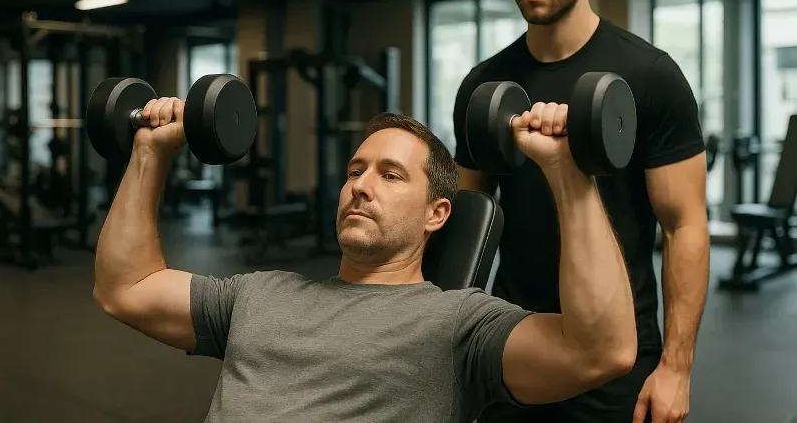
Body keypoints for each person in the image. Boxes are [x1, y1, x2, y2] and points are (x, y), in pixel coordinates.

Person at [93, 96, 638, 422]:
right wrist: (149, 151)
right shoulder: (257, 295)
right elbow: (127, 287)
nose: (361, 186)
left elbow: (601, 351)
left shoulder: (457, 325)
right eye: (355, 171)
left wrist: (568, 172)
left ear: (436, 214)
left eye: (391, 175)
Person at [452, 0, 710, 422]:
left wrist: (677, 369)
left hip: (618, 353)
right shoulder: (483, 85)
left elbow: (684, 226)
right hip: (516, 341)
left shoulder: (650, 76)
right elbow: (464, 219)